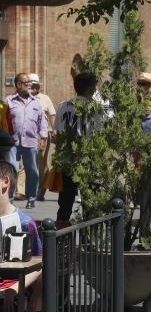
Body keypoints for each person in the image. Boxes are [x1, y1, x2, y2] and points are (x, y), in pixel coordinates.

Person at [0, 159, 42, 312]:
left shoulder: (25, 223)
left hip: (12, 291)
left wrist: (14, 289)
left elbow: (38, 264)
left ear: (4, 182)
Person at [54, 72, 102, 227]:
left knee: (65, 201)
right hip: (88, 158)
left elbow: (58, 132)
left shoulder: (63, 106)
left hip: (67, 158)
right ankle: (87, 240)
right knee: (89, 200)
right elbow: (99, 134)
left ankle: (61, 240)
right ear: (90, 88)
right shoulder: (95, 109)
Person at [6, 73, 47, 208]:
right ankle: (9, 198)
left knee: (32, 171)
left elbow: (42, 122)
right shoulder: (8, 101)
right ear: (18, 85)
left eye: (30, 82)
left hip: (30, 142)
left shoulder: (35, 102)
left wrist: (43, 137)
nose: (30, 84)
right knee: (11, 170)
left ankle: (31, 198)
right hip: (12, 143)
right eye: (27, 82)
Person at [27, 74, 56, 201]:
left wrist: (54, 130)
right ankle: (25, 190)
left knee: (41, 163)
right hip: (26, 135)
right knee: (27, 163)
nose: (34, 88)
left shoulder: (45, 98)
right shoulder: (23, 98)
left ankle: (40, 191)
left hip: (41, 135)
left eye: (36, 86)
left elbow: (52, 115)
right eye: (32, 86)